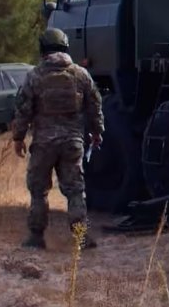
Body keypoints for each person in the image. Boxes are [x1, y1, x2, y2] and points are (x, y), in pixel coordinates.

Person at [10, 28, 104, 250]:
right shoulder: (80, 74)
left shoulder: (34, 76)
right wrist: (97, 131)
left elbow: (23, 109)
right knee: (75, 189)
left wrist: (18, 137)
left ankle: (36, 237)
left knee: (38, 189)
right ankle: (81, 238)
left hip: (43, 143)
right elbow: (95, 104)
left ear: (43, 48)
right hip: (73, 142)